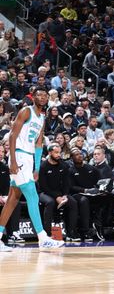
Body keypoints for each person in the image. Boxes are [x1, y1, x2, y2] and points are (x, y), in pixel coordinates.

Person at [0, 86, 64, 250]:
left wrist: (36, 167)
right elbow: (12, 136)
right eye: (39, 95)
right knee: (33, 197)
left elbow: (38, 144)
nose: (42, 97)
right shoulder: (26, 111)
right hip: (19, 155)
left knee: (12, 200)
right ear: (33, 97)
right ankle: (42, 237)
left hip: (28, 159)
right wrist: (12, 160)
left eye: (45, 95)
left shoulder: (42, 118)